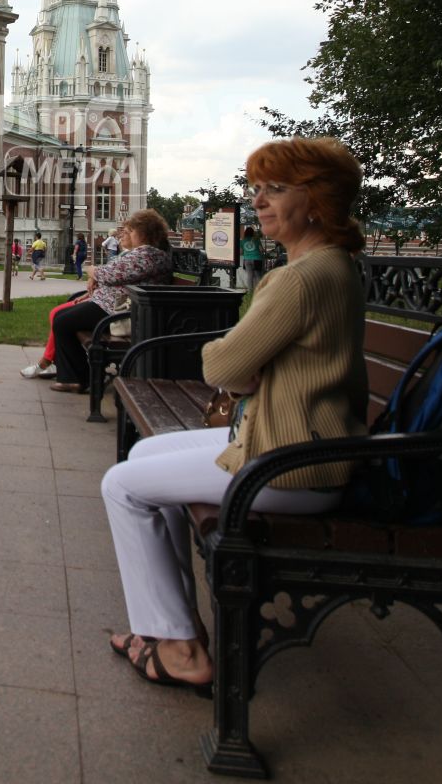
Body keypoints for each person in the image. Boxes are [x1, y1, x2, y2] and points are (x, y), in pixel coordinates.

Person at [101, 138, 368, 690]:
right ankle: (178, 626)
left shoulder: (300, 278)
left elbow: (224, 366)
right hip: (305, 445)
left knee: (123, 484)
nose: (260, 201)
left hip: (289, 463)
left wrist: (231, 359)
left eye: (276, 189)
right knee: (146, 454)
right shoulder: (330, 266)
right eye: (257, 190)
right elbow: (246, 366)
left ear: (316, 198)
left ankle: (177, 648)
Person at [46, 211, 175, 393]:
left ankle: (76, 378)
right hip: (114, 305)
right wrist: (96, 275)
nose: (124, 234)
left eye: (130, 231)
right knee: (62, 317)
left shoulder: (146, 255)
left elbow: (106, 273)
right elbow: (110, 272)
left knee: (62, 322)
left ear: (144, 233)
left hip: (119, 311)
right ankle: (76, 375)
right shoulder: (146, 254)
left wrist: (92, 271)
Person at [240, 226, 265, 291]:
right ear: (252, 233)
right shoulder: (256, 240)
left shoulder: (242, 241)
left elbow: (241, 252)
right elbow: (261, 250)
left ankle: (250, 291)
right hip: (257, 259)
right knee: (258, 275)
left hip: (247, 259)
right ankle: (260, 290)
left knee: (249, 275)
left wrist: (247, 252)